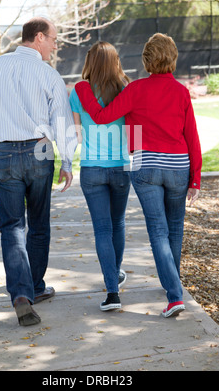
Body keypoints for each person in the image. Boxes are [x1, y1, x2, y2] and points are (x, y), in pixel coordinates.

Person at [75, 33, 202, 318]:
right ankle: (173, 287)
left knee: (158, 231)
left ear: (146, 61)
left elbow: (101, 116)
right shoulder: (181, 91)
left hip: (146, 168)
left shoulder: (136, 90)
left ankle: (174, 295)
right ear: (173, 58)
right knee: (175, 229)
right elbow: (191, 136)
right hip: (179, 166)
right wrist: (196, 178)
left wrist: (84, 89)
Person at [0, 17, 77, 326]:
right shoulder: (48, 74)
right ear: (38, 37)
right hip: (39, 153)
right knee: (38, 224)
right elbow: (62, 122)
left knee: (12, 227)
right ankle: (34, 288)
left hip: (5, 152)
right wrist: (66, 161)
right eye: (52, 39)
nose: (54, 45)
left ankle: (22, 295)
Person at [69, 41, 131, 311]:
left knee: (103, 229)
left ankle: (112, 291)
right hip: (120, 166)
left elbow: (77, 134)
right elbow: (132, 129)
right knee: (117, 224)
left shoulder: (78, 92)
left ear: (90, 62)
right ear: (115, 61)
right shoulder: (126, 89)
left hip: (92, 167)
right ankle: (113, 276)